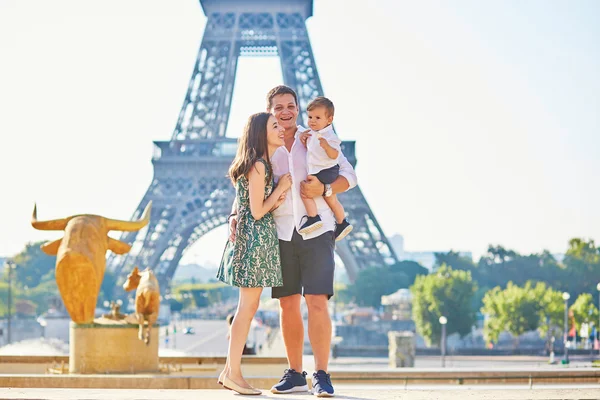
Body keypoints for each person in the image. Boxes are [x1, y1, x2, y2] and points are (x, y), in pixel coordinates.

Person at [229, 86, 357, 398]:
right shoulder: (264, 146)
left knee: (316, 302)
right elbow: (249, 185)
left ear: (298, 108)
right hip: (280, 233)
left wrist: (324, 192)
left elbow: (349, 176)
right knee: (288, 305)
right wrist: (234, 213)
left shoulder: (313, 136)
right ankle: (296, 373)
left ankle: (322, 374)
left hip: (317, 230)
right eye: (279, 107)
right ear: (269, 111)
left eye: (291, 106)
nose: (286, 112)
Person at [216, 112, 292, 396]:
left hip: (254, 241)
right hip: (254, 242)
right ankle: (233, 373)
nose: (281, 128)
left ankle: (230, 371)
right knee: (246, 310)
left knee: (246, 309)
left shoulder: (258, 164)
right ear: (262, 133)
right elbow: (258, 210)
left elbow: (249, 206)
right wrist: (281, 189)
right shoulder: (259, 166)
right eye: (275, 126)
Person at [297, 96, 353, 241]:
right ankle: (342, 222)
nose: (312, 121)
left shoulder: (329, 136)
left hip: (326, 171)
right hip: (320, 171)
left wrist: (327, 147)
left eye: (317, 117)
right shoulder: (312, 133)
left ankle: (314, 217)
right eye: (310, 117)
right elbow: (312, 151)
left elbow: (335, 154)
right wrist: (303, 139)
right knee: (331, 200)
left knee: (306, 192)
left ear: (329, 120)